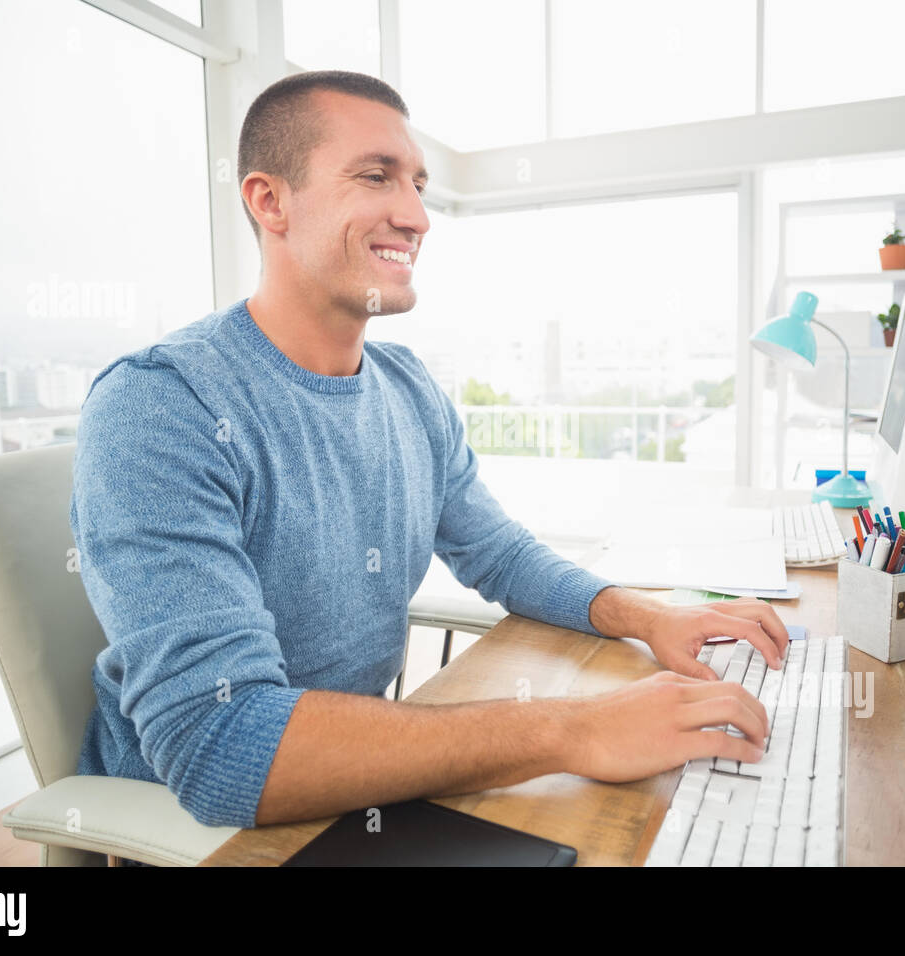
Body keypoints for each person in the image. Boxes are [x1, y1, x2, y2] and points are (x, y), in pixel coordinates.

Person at [72, 70, 787, 829]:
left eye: (418, 185)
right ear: (269, 200)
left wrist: (647, 616)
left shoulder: (404, 385)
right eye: (376, 177)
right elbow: (221, 745)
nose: (416, 216)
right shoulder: (161, 403)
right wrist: (573, 729)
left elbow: (499, 554)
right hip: (199, 818)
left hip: (356, 769)